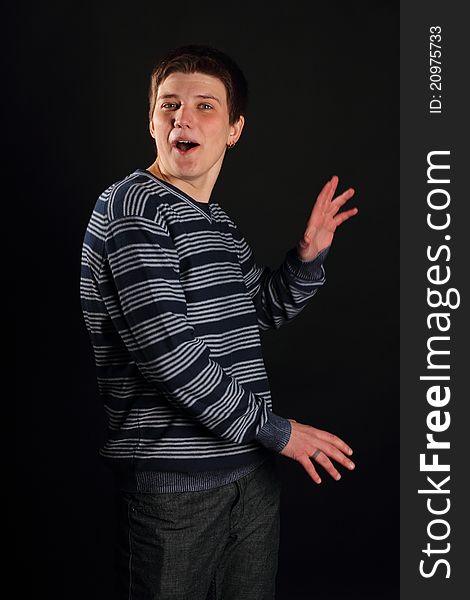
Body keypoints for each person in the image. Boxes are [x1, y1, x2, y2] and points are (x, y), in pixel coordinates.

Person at [80, 44, 357, 600]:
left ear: (234, 129)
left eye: (206, 106)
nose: (184, 117)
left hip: (250, 481)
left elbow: (259, 311)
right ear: (152, 123)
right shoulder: (133, 210)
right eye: (169, 105)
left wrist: (307, 258)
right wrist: (278, 431)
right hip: (174, 497)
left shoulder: (215, 222)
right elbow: (171, 356)